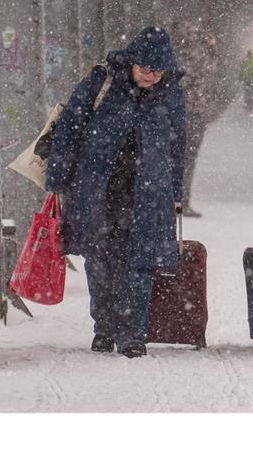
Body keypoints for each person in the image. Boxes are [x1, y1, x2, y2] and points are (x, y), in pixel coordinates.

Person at [45, 26, 187, 358]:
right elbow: (70, 126)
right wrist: (57, 178)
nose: (152, 76)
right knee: (100, 259)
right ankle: (104, 327)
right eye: (145, 68)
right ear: (132, 62)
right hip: (97, 188)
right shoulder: (103, 81)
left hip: (147, 191)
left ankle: (133, 334)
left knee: (139, 262)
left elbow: (177, 145)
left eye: (158, 70)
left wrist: (176, 190)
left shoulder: (171, 93)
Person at [176, 21, 222, 218]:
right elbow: (207, 72)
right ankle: (181, 201)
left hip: (190, 112)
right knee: (186, 159)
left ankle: (181, 201)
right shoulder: (191, 54)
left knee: (184, 158)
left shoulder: (180, 52)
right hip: (190, 112)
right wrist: (211, 50)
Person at [240, 49, 253, 114]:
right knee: (252, 91)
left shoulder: (245, 59)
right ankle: (251, 104)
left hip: (246, 79)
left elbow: (242, 69)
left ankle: (247, 104)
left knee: (247, 91)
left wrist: (241, 77)